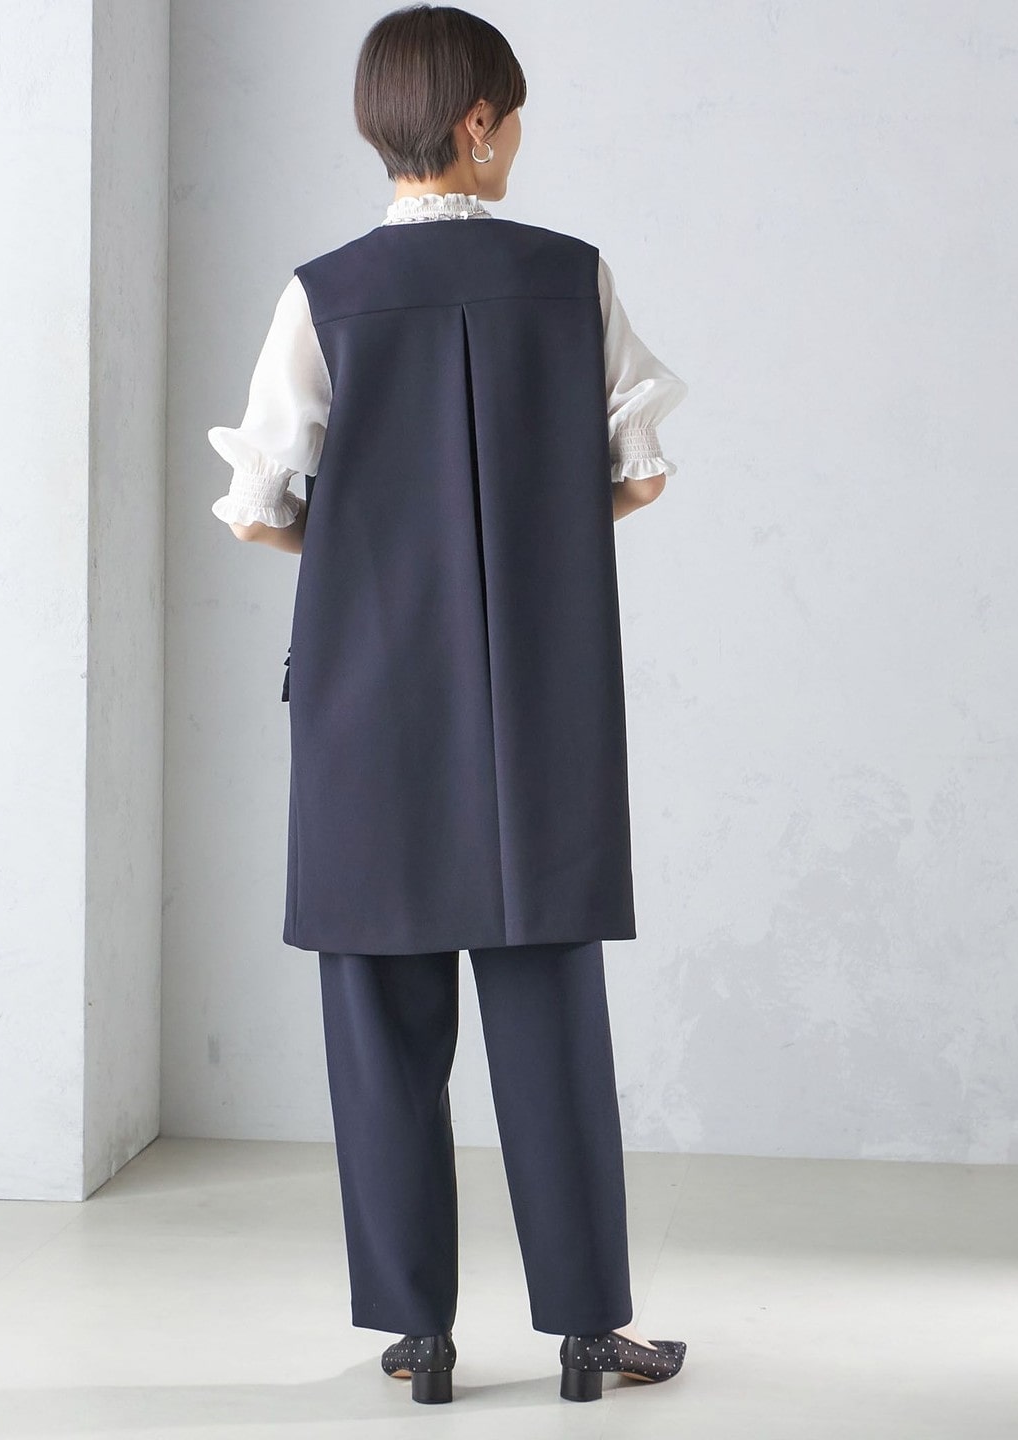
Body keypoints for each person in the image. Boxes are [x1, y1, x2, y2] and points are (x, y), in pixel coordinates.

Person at [207, 3, 689, 1406]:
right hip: (538, 698)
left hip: (367, 702)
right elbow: (639, 473)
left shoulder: (325, 292)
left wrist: (376, 548)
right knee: (552, 1017)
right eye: (514, 115)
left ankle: (418, 1338)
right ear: (477, 122)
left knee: (380, 1024)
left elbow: (259, 507)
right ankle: (588, 1333)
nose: (518, 137)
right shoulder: (569, 276)